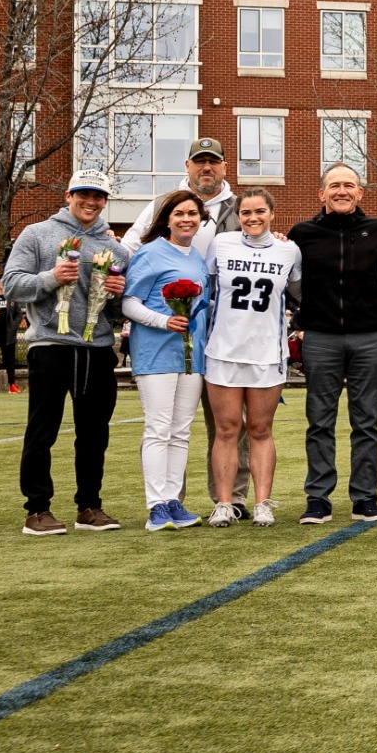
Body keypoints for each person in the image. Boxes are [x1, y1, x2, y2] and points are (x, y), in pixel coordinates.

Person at [123, 137, 247, 514]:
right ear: (188, 166)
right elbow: (127, 254)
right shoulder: (162, 209)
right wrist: (103, 268)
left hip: (214, 335)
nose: (206, 168)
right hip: (162, 346)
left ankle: (230, 498)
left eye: (213, 161)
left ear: (225, 166)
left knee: (214, 424)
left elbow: (259, 240)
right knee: (161, 427)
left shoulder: (238, 208)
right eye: (199, 162)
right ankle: (164, 501)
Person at [2, 170, 129, 535]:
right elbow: (12, 283)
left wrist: (119, 292)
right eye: (84, 193)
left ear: (106, 201)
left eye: (99, 196)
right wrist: (51, 277)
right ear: (69, 194)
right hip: (51, 346)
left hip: (97, 348)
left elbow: (120, 311)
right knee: (43, 430)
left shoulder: (116, 249)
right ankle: (37, 510)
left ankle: (89, 506)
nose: (91, 202)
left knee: (94, 433)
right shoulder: (38, 234)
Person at [291, 164, 377, 524]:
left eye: (349, 185)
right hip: (320, 337)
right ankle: (318, 499)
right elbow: (285, 276)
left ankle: (364, 499)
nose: (342, 191)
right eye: (334, 185)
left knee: (367, 422)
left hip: (368, 335)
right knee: (319, 421)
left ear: (360, 193)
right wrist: (302, 316)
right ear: (321, 194)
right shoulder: (302, 234)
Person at [203, 190, 300, 527]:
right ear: (238, 215)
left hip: (267, 353)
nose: (253, 217)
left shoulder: (288, 250)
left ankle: (262, 503)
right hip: (224, 352)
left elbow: (300, 294)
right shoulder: (223, 243)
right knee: (226, 430)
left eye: (260, 211)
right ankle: (225, 503)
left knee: (260, 429)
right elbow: (206, 288)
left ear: (272, 213)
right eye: (246, 212)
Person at [121, 190, 213, 532]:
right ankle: (156, 505)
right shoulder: (150, 254)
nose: (186, 219)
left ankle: (174, 500)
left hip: (192, 358)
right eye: (179, 214)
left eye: (192, 213)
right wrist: (164, 321)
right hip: (156, 355)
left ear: (200, 219)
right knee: (158, 429)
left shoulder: (197, 258)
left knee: (181, 431)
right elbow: (129, 304)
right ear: (167, 219)